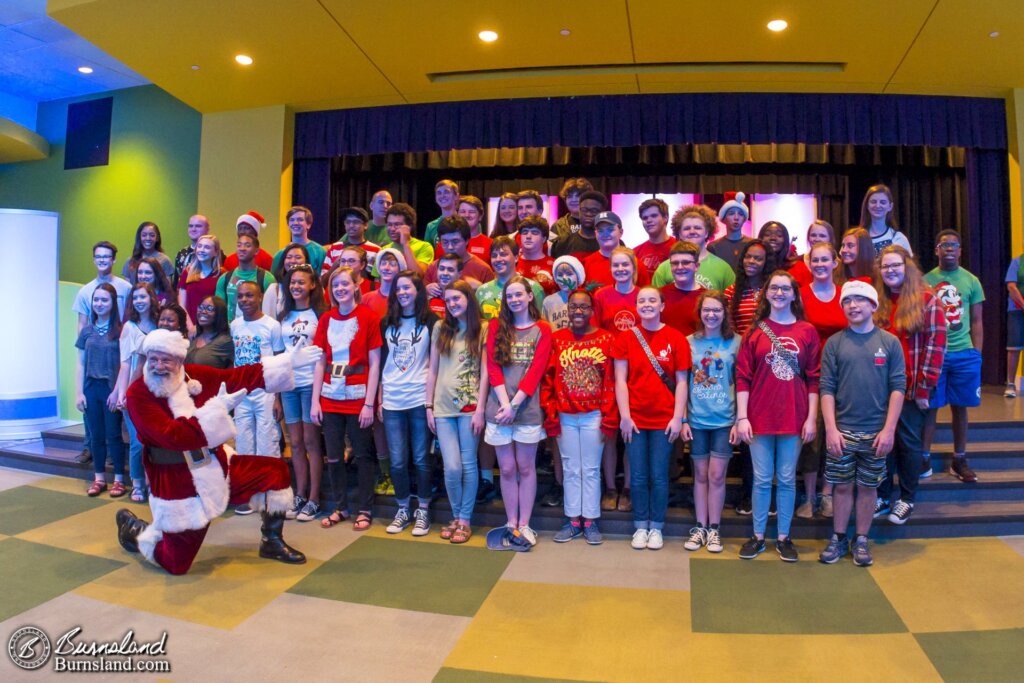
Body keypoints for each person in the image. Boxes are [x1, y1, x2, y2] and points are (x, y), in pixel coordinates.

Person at [115, 328, 322, 575]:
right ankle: (136, 531)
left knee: (274, 470)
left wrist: (286, 362)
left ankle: (271, 542)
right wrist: (216, 410)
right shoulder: (137, 393)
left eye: (165, 359)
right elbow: (172, 436)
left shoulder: (194, 377)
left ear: (180, 361)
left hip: (215, 465)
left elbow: (237, 377)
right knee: (176, 564)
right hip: (176, 481)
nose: (158, 366)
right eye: (153, 359)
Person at [818, 281, 906, 567]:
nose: (853, 305)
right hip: (841, 431)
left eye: (859, 300)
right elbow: (827, 388)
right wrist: (830, 428)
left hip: (875, 433)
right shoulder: (835, 343)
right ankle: (839, 537)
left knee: (868, 488)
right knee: (841, 487)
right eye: (847, 301)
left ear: (872, 305)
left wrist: (889, 429)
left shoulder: (889, 343)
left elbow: (897, 387)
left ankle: (862, 539)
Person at [735, 271, 821, 562]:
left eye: (786, 288)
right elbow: (743, 377)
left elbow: (814, 378)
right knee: (761, 479)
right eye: (774, 288)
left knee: (786, 478)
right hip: (759, 415)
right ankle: (758, 536)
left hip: (794, 416)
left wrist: (812, 418)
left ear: (794, 295)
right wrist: (742, 417)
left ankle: (784, 536)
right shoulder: (754, 331)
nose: (780, 293)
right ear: (766, 293)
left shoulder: (807, 331)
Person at [612, 287, 689, 550]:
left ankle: (656, 526)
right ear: (636, 306)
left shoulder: (676, 338)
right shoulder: (625, 338)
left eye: (652, 300)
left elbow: (681, 382)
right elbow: (620, 380)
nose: (647, 304)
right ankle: (639, 526)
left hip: (664, 420)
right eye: (642, 300)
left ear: (662, 306)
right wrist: (625, 416)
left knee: (658, 475)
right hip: (634, 420)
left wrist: (678, 417)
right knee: (638, 476)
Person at [874, 246, 946, 524]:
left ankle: (906, 499)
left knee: (907, 443)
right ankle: (882, 497)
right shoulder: (877, 300)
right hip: (879, 387)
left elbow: (936, 345)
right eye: (885, 267)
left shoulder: (927, 300)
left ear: (907, 267)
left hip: (911, 388)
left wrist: (925, 387)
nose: (890, 271)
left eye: (896, 265)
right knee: (881, 444)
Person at [542, 288, 617, 545]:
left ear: (592, 311)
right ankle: (573, 519)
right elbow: (549, 377)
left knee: (591, 468)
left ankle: (591, 520)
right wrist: (550, 409)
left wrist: (609, 413)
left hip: (594, 414)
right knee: (571, 467)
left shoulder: (606, 338)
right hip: (565, 414)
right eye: (573, 306)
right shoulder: (557, 338)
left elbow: (612, 379)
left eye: (583, 307)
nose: (577, 311)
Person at [483, 275, 553, 547]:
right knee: (508, 468)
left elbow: (536, 371)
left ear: (528, 296)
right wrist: (504, 405)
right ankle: (510, 522)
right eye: (509, 296)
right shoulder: (494, 327)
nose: (514, 300)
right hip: (499, 411)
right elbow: (492, 368)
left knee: (526, 467)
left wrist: (514, 405)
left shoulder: (542, 329)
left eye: (518, 295)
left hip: (526, 410)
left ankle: (525, 524)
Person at [312, 267, 382, 531]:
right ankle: (340, 507)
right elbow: (320, 362)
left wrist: (369, 403)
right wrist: (314, 401)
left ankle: (364, 508)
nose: (339, 289)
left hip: (357, 396)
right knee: (333, 456)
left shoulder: (368, 317)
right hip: (330, 396)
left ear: (356, 285)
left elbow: (375, 364)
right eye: (335, 285)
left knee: (363, 455)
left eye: (344, 284)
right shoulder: (326, 319)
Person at [426, 280, 488, 544]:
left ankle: (465, 519)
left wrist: (481, 410)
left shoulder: (482, 329)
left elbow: (486, 374)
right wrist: (428, 405)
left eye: (457, 299)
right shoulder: (441, 327)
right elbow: (433, 369)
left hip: (470, 407)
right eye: (448, 300)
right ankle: (455, 515)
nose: (452, 305)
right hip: (442, 407)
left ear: (469, 299)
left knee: (467, 464)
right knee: (450, 467)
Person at [379, 272, 440, 536]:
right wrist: (380, 398)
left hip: (418, 397)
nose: (402, 292)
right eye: (398, 288)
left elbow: (435, 363)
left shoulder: (431, 321)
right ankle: (403, 508)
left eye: (407, 287)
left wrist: (430, 404)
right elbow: (382, 361)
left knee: (421, 458)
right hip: (392, 398)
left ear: (418, 290)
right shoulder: (386, 322)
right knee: (397, 461)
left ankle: (423, 509)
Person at [923, 230, 984, 483]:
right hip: (935, 354)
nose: (949, 248)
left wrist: (976, 354)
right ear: (936, 250)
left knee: (960, 408)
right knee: (930, 408)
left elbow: (978, 321)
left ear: (960, 251)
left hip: (964, 354)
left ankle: (959, 459)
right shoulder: (925, 280)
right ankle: (923, 458)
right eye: (944, 245)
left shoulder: (971, 281)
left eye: (954, 245)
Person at [682, 291, 741, 553]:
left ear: (724, 312)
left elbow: (742, 385)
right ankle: (700, 526)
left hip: (724, 420)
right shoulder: (689, 343)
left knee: (717, 475)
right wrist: (683, 418)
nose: (711, 314)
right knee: (701, 475)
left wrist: (740, 420)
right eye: (706, 309)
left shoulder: (736, 343)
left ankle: (715, 528)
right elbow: (682, 383)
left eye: (716, 310)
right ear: (700, 312)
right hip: (696, 419)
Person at [797, 241, 848, 518]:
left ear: (835, 262)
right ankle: (808, 497)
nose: (819, 265)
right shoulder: (801, 296)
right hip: (808, 374)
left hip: (841, 374)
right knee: (811, 437)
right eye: (814, 260)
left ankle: (826, 495)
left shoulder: (845, 295)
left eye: (824, 260)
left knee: (834, 435)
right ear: (809, 263)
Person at [279, 263, 329, 523]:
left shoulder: (320, 314)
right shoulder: (284, 315)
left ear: (312, 285)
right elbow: (279, 355)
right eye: (292, 282)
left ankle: (314, 498)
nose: (296, 286)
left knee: (311, 442)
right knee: (295, 443)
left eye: (301, 282)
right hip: (288, 385)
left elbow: (323, 354)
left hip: (311, 384)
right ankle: (299, 494)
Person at [76, 283, 126, 497]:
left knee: (114, 434)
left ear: (113, 303)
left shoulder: (122, 331)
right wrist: (79, 392)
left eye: (104, 300)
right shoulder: (87, 331)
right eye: (96, 299)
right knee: (96, 435)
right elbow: (80, 363)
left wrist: (118, 391)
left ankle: (119, 480)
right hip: (91, 388)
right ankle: (99, 479)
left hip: (111, 388)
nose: (99, 304)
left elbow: (126, 363)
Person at [230, 281, 285, 461]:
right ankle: (249, 487)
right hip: (242, 394)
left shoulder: (272, 325)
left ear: (260, 297)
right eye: (240, 296)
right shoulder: (235, 326)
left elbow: (279, 363)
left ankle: (271, 486)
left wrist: (278, 399)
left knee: (267, 443)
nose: (244, 299)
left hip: (265, 392)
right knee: (243, 443)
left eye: (249, 295)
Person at [115, 283, 160, 502]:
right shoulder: (129, 328)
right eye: (135, 297)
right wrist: (122, 393)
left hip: (158, 392)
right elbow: (124, 364)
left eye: (143, 296)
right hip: (135, 391)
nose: (139, 301)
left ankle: (155, 482)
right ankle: (138, 483)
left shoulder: (161, 324)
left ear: (152, 298)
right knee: (137, 442)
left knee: (155, 441)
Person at [651, 205, 734, 291]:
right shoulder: (664, 269)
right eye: (687, 228)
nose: (692, 231)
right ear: (679, 234)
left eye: (697, 228)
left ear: (706, 233)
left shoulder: (723, 268)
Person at [476, 236, 545, 320]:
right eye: (494, 255)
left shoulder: (534, 288)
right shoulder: (482, 291)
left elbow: (540, 324)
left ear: (516, 257)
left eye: (503, 254)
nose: (498, 259)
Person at [215, 232, 275, 322]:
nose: (242, 249)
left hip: (257, 330)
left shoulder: (266, 278)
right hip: (230, 331)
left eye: (247, 245)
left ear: (257, 251)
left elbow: (272, 311)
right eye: (239, 245)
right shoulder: (225, 278)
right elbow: (218, 310)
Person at [425, 215, 495, 292]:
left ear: (467, 241)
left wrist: (480, 289)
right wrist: (426, 290)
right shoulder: (432, 267)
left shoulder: (483, 270)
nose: (450, 247)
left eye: (455, 242)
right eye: (445, 242)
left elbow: (491, 299)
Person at [583, 211, 650, 288]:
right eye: (600, 231)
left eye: (610, 229)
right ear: (595, 234)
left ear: (621, 232)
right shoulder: (586, 263)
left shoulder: (635, 263)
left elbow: (646, 295)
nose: (605, 234)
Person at [322, 206, 381, 280]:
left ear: (365, 225)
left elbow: (378, 281)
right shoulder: (334, 248)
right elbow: (322, 282)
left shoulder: (376, 250)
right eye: (348, 222)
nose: (351, 225)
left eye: (356, 222)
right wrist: (335, 265)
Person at [724, 239, 769, 336]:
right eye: (748, 257)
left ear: (766, 262)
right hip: (741, 346)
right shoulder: (731, 291)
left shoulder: (772, 290)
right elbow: (729, 327)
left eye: (758, 258)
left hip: (769, 347)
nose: (751, 261)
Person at [660, 241, 705, 336]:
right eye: (675, 263)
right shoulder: (659, 295)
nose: (680, 267)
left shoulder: (707, 298)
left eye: (686, 262)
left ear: (697, 266)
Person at [592, 247, 642, 332]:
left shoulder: (643, 295)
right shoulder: (600, 296)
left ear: (633, 268)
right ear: (610, 269)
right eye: (615, 265)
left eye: (625, 264)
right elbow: (594, 329)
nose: (620, 269)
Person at [177, 234, 223, 326]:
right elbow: (182, 304)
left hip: (213, 327)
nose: (201, 250)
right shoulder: (187, 272)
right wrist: (190, 327)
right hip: (190, 325)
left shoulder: (222, 275)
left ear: (216, 252)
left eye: (207, 247)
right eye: (199, 246)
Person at [380, 203, 434, 275]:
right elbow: (378, 280)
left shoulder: (424, 247)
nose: (392, 229)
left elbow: (418, 275)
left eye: (397, 225)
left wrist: (405, 244)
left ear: (409, 226)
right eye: (389, 224)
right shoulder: (384, 250)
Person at [860, 184, 912, 256]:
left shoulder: (898, 238)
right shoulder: (858, 238)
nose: (878, 205)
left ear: (890, 206)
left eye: (883, 202)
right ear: (867, 205)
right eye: (873, 202)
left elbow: (909, 266)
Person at [271, 206, 326, 274]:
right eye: (292, 220)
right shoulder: (279, 255)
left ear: (308, 225)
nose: (295, 223)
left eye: (300, 219)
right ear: (288, 225)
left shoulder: (319, 252)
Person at [551, 190, 605, 259]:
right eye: (584, 210)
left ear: (602, 213)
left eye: (594, 211)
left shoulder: (610, 242)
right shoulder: (563, 244)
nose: (588, 214)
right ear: (579, 211)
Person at [185, 296, 234, 370]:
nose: (203, 311)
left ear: (219, 313)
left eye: (209, 308)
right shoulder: (194, 337)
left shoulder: (225, 341)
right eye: (201, 307)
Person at [708, 192, 753, 270]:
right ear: (724, 218)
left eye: (741, 214)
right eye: (731, 213)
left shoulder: (752, 244)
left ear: (744, 219)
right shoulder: (713, 247)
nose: (736, 217)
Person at [759, 220, 812, 286]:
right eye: (767, 234)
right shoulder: (754, 267)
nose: (773, 238)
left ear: (785, 240)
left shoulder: (798, 267)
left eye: (779, 235)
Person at [264, 243, 311, 318]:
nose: (292, 261)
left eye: (298, 257)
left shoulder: (315, 287)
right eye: (289, 257)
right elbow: (268, 322)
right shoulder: (274, 289)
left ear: (306, 261)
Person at [542, 256, 585, 332]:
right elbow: (544, 330)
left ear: (578, 277)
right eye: (560, 275)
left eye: (569, 274)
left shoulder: (587, 300)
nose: (564, 278)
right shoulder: (548, 302)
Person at [515, 216, 556, 294]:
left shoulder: (555, 266)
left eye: (534, 233)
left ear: (544, 239)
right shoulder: (512, 263)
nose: (528, 236)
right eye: (525, 232)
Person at [634, 198, 677, 272]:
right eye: (645, 218)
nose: (649, 220)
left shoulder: (679, 247)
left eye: (653, 216)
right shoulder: (635, 252)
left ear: (665, 218)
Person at [1003, 249, 1024, 397]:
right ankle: (1010, 384)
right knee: (1014, 347)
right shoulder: (1017, 261)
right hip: (1016, 311)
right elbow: (1011, 286)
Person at [364, 247, 405, 318]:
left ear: (400, 269)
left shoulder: (405, 298)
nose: (386, 268)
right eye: (383, 263)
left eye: (392, 264)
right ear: (379, 267)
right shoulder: (365, 299)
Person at [550, 178, 593, 246]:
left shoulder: (598, 223)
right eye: (569, 196)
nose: (573, 200)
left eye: (578, 196)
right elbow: (550, 250)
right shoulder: (557, 226)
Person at [172, 214, 210, 289]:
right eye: (191, 226)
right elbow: (176, 283)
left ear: (207, 229)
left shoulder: (214, 253)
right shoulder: (181, 253)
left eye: (198, 226)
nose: (193, 229)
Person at [456, 195, 493, 265]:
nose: (467, 215)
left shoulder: (490, 244)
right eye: (463, 211)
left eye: (472, 212)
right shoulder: (445, 244)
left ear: (480, 216)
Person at [423, 179, 460, 247]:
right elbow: (429, 253)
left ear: (456, 196)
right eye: (439, 193)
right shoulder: (431, 226)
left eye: (446, 192)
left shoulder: (467, 223)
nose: (442, 196)